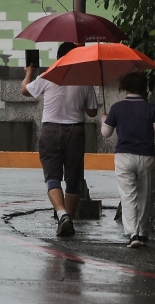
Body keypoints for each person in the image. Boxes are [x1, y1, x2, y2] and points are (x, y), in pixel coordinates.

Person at [22, 42, 98, 238]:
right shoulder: (84, 80)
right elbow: (92, 112)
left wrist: (29, 72)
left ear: (58, 58)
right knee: (73, 180)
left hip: (50, 130)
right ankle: (68, 219)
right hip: (76, 132)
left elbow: (25, 90)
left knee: (53, 177)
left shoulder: (48, 75)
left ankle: (62, 214)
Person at [101, 71, 155, 248]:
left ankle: (133, 234)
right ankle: (143, 232)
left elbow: (106, 134)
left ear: (124, 88)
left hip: (124, 157)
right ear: (143, 88)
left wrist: (103, 120)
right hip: (146, 156)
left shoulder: (117, 108)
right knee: (144, 195)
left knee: (128, 195)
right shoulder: (150, 108)